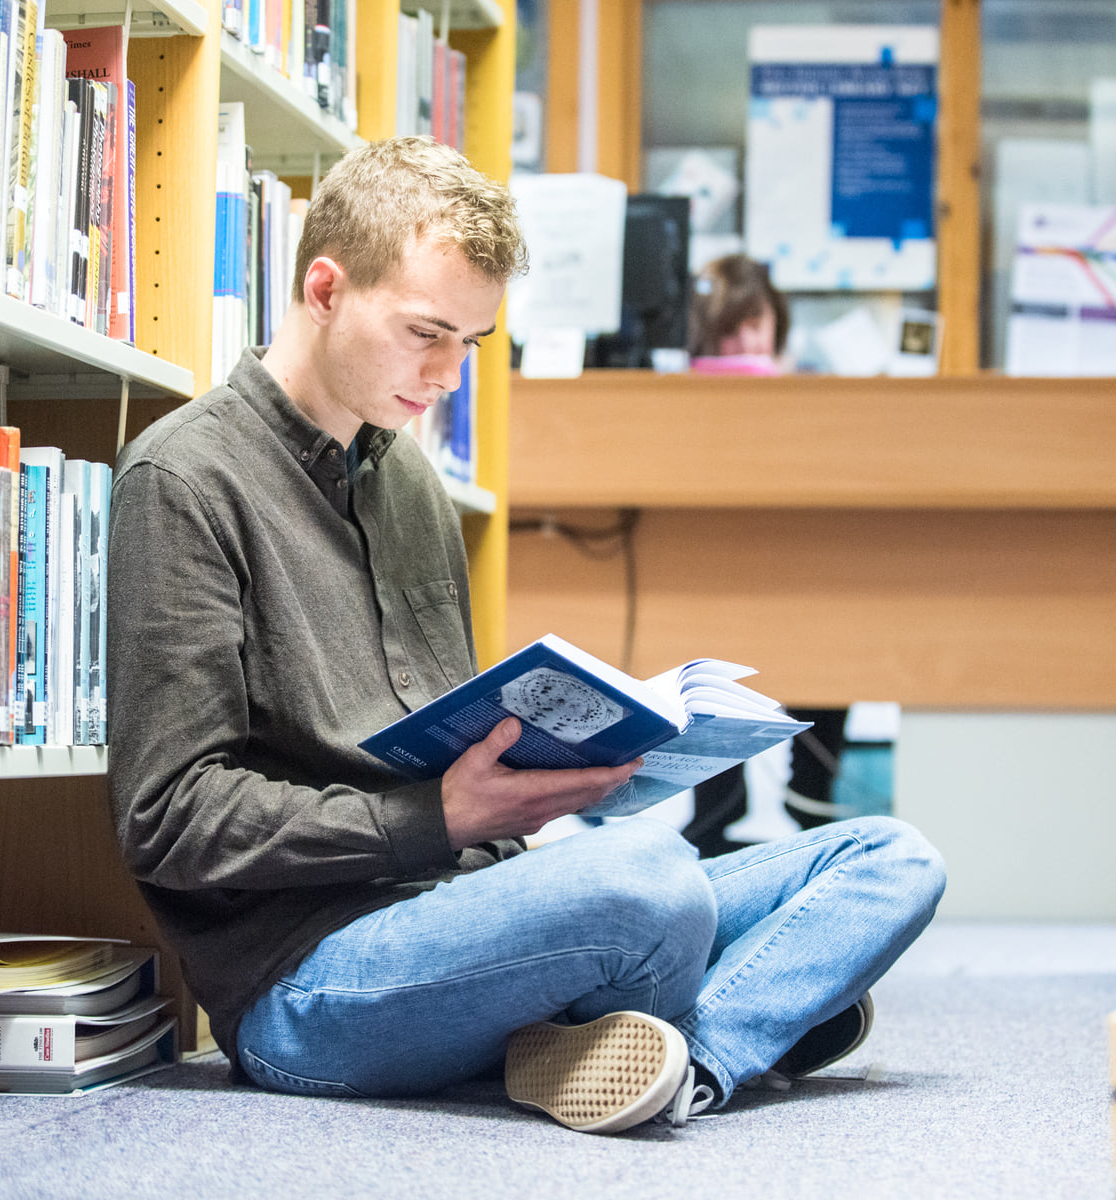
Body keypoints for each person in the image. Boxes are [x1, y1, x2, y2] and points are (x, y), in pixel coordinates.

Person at [106, 137, 945, 1136]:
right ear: (324, 289)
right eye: (426, 332)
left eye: (472, 341)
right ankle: (712, 1015)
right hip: (308, 982)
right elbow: (169, 817)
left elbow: (447, 748)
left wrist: (573, 775)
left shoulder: (406, 478)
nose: (450, 373)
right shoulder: (184, 481)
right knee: (647, 887)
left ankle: (685, 1059)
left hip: (474, 904)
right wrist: (441, 818)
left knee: (890, 857)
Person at [684, 254, 855, 851]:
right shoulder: (675, 405)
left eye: (753, 325)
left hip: (809, 573)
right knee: (708, 650)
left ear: (778, 325)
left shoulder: (817, 402)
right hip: (710, 574)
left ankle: (813, 800)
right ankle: (717, 813)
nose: (742, 343)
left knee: (838, 637)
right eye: (726, 330)